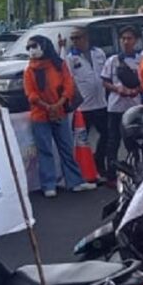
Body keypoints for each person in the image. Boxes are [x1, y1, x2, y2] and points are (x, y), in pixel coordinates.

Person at [24, 35, 93, 196]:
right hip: (40, 114)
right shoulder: (29, 70)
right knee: (45, 150)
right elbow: (31, 94)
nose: (31, 50)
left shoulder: (58, 65)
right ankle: (49, 184)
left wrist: (58, 104)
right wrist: (48, 107)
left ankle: (75, 181)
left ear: (44, 46)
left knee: (66, 148)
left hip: (59, 111)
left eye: (34, 46)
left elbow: (68, 85)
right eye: (29, 48)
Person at [64, 27, 110, 178]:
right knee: (81, 139)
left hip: (101, 102)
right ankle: (81, 168)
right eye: (73, 39)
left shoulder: (98, 53)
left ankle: (99, 161)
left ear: (86, 38)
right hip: (83, 107)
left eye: (78, 38)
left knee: (107, 135)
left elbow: (104, 74)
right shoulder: (71, 58)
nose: (75, 41)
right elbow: (69, 79)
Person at [101, 26, 143, 177]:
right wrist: (117, 89)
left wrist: (136, 90)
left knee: (134, 140)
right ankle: (111, 173)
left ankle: (136, 169)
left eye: (129, 38)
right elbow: (105, 81)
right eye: (123, 38)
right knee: (113, 140)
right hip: (115, 107)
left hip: (134, 107)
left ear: (136, 40)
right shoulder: (112, 60)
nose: (126, 42)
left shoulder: (142, 60)